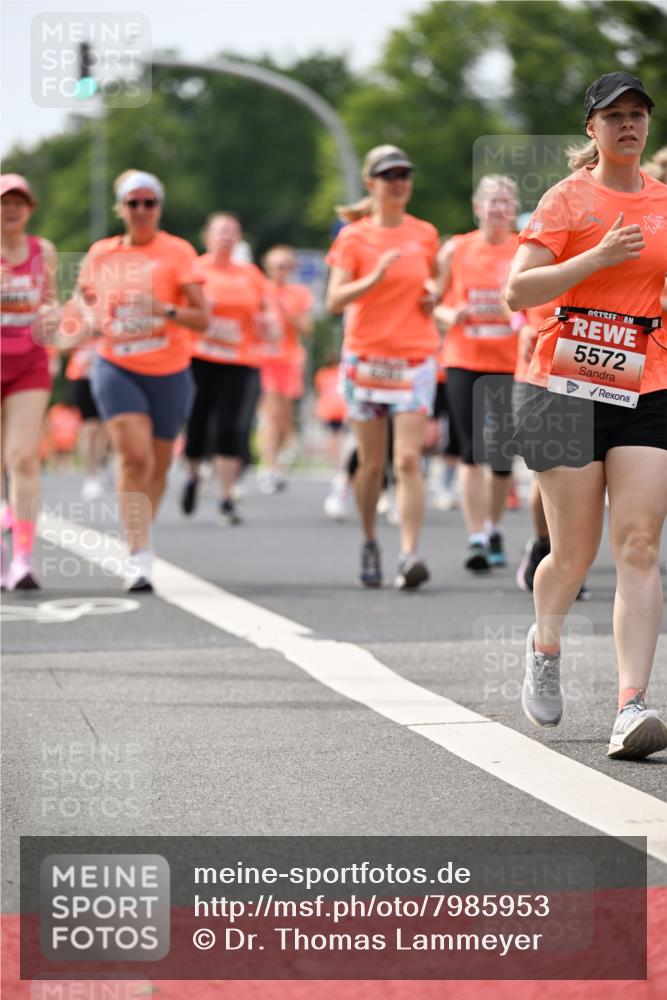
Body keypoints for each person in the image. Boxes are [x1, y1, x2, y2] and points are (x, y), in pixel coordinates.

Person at [506, 72, 667, 759]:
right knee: (572, 554)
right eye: (614, 117)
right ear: (591, 130)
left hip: (645, 384)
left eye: (638, 115)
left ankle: (631, 704)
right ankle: (544, 642)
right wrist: (595, 258)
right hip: (558, 386)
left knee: (636, 544)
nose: (627, 125)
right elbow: (517, 290)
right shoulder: (567, 198)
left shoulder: (664, 202)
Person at [67, 169, 207, 591]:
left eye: (149, 203)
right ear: (121, 209)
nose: (142, 210)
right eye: (133, 203)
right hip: (115, 364)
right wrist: (90, 315)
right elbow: (80, 294)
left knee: (160, 464)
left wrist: (161, 309)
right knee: (133, 456)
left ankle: (142, 532)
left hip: (169, 369)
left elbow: (203, 318)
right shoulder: (102, 253)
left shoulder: (178, 252)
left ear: (159, 207)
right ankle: (138, 553)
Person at [326, 144, 440, 589]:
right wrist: (374, 278)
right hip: (367, 359)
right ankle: (371, 539)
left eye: (404, 174)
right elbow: (334, 299)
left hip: (414, 356)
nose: (399, 182)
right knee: (371, 465)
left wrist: (432, 294)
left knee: (408, 459)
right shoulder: (353, 237)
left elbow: (430, 282)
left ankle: (409, 553)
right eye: (389, 175)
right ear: (371, 183)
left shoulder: (425, 233)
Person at [435, 175, 520, 572]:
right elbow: (432, 300)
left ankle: (494, 525)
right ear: (477, 208)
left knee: (501, 454)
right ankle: (476, 537)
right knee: (470, 447)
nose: (499, 209)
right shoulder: (456, 248)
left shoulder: (525, 248)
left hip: (510, 361)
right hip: (462, 357)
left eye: (506, 202)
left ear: (515, 208)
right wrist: (449, 314)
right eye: (492, 202)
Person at [181, 213, 277, 525]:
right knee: (197, 423)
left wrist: (268, 324)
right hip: (199, 357)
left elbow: (268, 312)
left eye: (231, 232)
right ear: (207, 236)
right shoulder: (194, 269)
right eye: (220, 232)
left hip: (239, 359)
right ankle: (194, 476)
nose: (225, 237)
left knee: (230, 428)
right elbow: (178, 308)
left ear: (238, 239)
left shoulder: (250, 274)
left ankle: (225, 497)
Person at [1, 173, 59, 590]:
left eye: (19, 201)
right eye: (5, 201)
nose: (11, 208)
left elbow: (52, 298)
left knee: (21, 457)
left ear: (30, 208)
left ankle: (22, 557)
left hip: (30, 363)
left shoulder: (44, 251)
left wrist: (54, 314)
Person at [257, 245, 314, 493]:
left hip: (289, 360)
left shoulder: (299, 294)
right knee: (270, 413)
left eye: (285, 266)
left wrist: (287, 312)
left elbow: (307, 329)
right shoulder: (258, 289)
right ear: (267, 267)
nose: (280, 271)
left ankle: (276, 461)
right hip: (263, 359)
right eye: (275, 266)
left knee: (283, 417)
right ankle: (269, 467)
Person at [65, 339, 111, 500]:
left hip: (109, 373)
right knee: (90, 427)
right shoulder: (73, 315)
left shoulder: (108, 313)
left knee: (106, 429)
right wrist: (83, 332)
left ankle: (102, 462)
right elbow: (62, 345)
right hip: (81, 376)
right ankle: (91, 476)